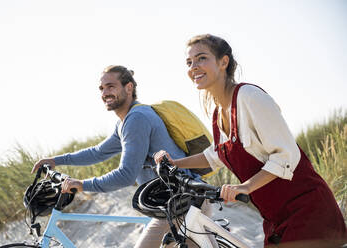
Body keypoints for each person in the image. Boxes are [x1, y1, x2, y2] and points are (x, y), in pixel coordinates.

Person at [154, 34, 347, 247]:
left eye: (201, 58)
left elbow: (287, 155)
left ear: (223, 62)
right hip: (275, 218)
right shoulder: (218, 112)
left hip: (308, 212)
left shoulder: (249, 97)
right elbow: (215, 155)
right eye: (189, 62)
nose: (194, 67)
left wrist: (244, 187)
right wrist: (174, 163)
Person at [31, 65, 210, 248]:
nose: (105, 93)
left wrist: (83, 184)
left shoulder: (137, 119)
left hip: (181, 204)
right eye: (102, 88)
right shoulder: (125, 121)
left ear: (129, 87)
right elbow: (98, 152)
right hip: (174, 204)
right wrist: (56, 160)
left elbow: (126, 175)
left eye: (111, 86)